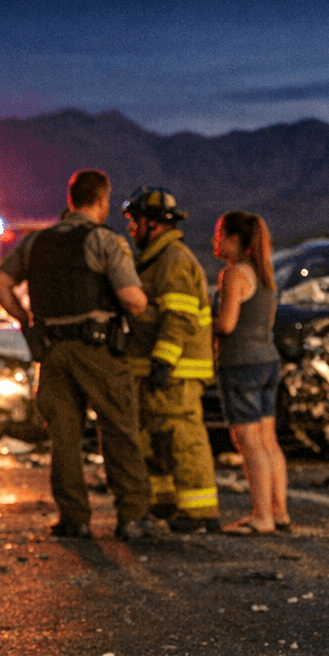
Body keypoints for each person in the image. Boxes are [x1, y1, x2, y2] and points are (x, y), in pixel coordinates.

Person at [0, 170, 166, 541]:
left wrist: (24, 318)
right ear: (102, 200)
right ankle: (132, 516)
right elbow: (133, 301)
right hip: (98, 348)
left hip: (52, 352)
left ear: (71, 200)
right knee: (119, 429)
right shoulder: (103, 240)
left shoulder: (36, 242)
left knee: (65, 438)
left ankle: (74, 519)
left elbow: (0, 283)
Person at [121, 187, 220, 534]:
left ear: (154, 224)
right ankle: (163, 503)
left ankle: (199, 512)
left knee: (183, 439)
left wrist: (164, 360)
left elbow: (180, 316)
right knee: (154, 440)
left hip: (176, 370)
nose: (131, 228)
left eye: (135, 220)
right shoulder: (153, 259)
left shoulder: (173, 260)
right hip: (154, 368)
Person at [212, 210, 289, 534]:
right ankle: (279, 512)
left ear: (236, 241)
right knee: (268, 441)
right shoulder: (265, 275)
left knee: (248, 442)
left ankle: (261, 517)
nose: (215, 241)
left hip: (241, 365)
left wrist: (202, 322)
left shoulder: (234, 274)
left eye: (220, 235)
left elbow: (227, 324)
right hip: (267, 360)